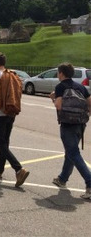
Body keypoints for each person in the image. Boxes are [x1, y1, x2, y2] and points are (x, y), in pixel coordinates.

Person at [0, 52, 29, 187]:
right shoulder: (12, 74)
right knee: (5, 142)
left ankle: (18, 169)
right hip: (11, 112)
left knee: (0, 143)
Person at [50, 62, 91, 199]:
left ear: (61, 73)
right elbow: (90, 103)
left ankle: (90, 184)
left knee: (73, 153)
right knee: (71, 152)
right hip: (80, 124)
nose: (57, 74)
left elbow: (59, 105)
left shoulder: (60, 87)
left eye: (58, 72)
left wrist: (54, 98)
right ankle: (62, 179)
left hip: (68, 125)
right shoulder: (81, 87)